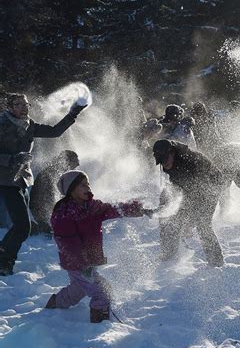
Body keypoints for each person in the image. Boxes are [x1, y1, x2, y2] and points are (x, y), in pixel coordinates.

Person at [45, 170, 151, 323]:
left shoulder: (92, 207)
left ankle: (56, 303)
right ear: (71, 189)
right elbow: (68, 243)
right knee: (102, 292)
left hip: (87, 262)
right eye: (82, 185)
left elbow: (114, 209)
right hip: (77, 264)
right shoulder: (64, 213)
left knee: (79, 289)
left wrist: (138, 209)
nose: (87, 187)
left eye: (88, 183)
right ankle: (99, 324)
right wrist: (82, 264)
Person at [0, 93, 86, 275]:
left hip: (21, 180)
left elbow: (55, 132)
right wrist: (11, 159)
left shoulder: (29, 125)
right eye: (19, 104)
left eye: (26, 104)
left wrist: (73, 114)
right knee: (23, 226)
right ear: (9, 107)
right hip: (4, 180)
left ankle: (4, 257)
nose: (24, 107)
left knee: (22, 226)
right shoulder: (2, 124)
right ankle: (5, 263)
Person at [153, 139, 224, 267]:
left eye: (165, 159)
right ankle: (169, 253)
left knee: (202, 223)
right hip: (188, 188)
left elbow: (197, 194)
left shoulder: (190, 162)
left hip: (211, 186)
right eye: (161, 161)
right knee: (170, 215)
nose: (164, 164)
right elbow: (178, 186)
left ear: (172, 153)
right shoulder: (170, 162)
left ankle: (216, 262)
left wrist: (189, 222)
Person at [29, 150, 79, 235]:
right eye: (75, 162)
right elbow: (50, 195)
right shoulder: (55, 172)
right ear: (68, 161)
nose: (77, 165)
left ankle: (39, 226)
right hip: (40, 209)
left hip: (39, 208)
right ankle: (35, 227)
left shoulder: (56, 169)